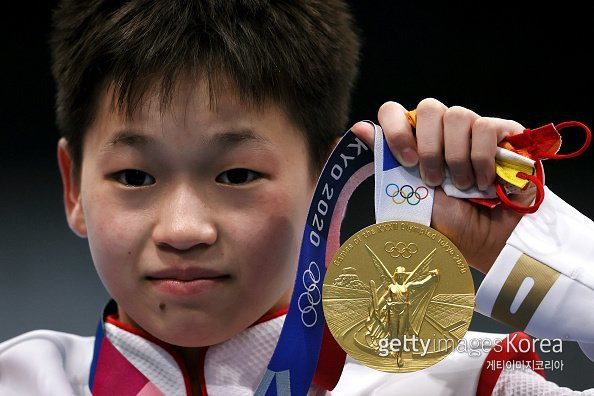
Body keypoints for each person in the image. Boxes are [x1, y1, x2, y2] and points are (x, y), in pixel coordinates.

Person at [0, 1, 592, 395]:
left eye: (235, 176)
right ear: (74, 186)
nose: (182, 228)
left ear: (323, 181)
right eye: (135, 177)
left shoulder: (459, 384)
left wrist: (526, 252)